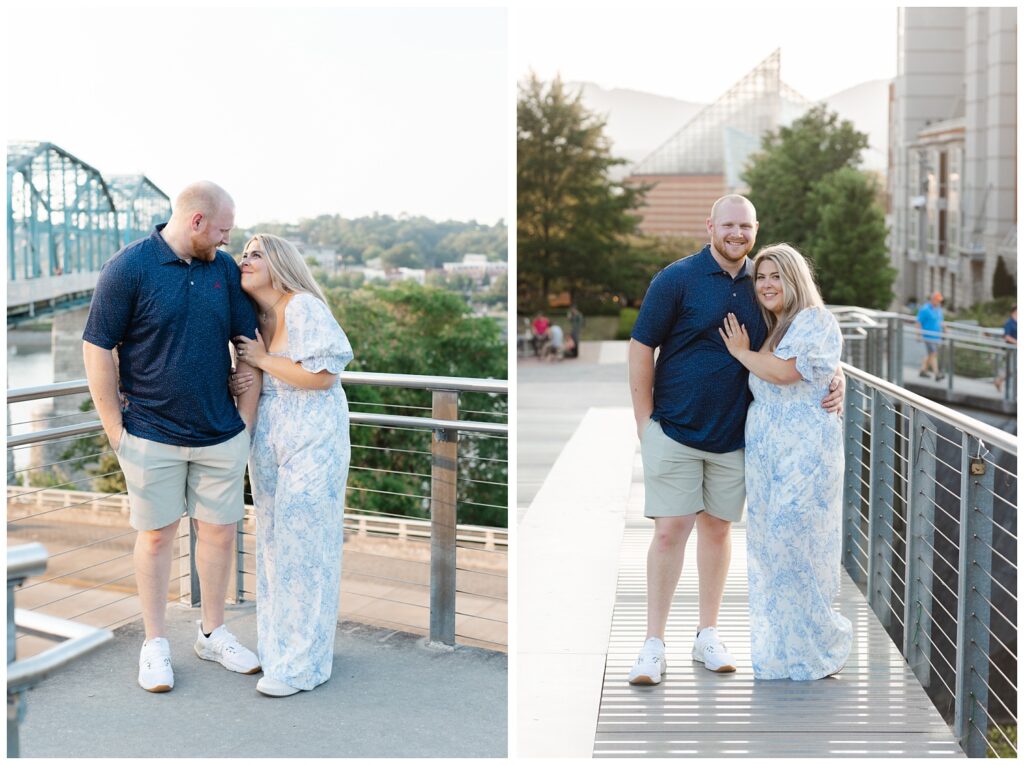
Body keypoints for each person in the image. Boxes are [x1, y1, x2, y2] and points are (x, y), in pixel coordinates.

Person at [626, 194, 844, 685]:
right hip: (676, 429)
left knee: (718, 531)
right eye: (728, 225)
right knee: (669, 530)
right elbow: (641, 348)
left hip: (737, 436)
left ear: (755, 228)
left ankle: (708, 635)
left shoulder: (764, 284)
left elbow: (801, 340)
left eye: (745, 226)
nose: (736, 234)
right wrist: (644, 424)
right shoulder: (676, 279)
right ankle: (653, 645)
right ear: (710, 226)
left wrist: (837, 375)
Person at [82, 181, 262, 693]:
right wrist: (116, 430)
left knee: (220, 533)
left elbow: (248, 344)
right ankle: (155, 644)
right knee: (157, 536)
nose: (229, 241)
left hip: (219, 434)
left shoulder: (223, 270)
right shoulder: (129, 267)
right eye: (224, 230)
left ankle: (212, 632)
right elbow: (97, 347)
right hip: (149, 434)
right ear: (197, 222)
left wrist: (244, 425)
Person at [719, 243, 852, 680]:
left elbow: (786, 372)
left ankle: (818, 644)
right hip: (768, 457)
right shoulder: (773, 328)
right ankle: (782, 651)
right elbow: (808, 368)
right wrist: (838, 375)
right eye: (761, 277)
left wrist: (740, 352)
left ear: (795, 279)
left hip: (805, 454)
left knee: (793, 541)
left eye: (775, 276)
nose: (766, 285)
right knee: (770, 551)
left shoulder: (813, 319)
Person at [230, 233, 353, 697]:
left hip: (314, 438)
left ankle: (303, 666)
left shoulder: (302, 307)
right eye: (243, 253)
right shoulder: (257, 317)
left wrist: (262, 358)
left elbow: (322, 378)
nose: (245, 259)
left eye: (255, 253)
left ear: (279, 263)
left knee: (307, 546)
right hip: (270, 438)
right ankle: (281, 651)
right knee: (275, 548)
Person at [916, 291, 945, 381]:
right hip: (928, 335)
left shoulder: (938, 309)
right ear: (932, 300)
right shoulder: (925, 309)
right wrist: (918, 334)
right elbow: (918, 322)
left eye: (940, 301)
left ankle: (923, 370)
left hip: (936, 336)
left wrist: (946, 330)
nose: (939, 302)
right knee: (933, 353)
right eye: (937, 300)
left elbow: (940, 322)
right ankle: (937, 374)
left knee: (930, 355)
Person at [994, 305, 1016, 393]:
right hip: (1010, 349)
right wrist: (1017, 342)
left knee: (1012, 369)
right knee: (1011, 369)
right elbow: (1006, 336)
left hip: (1017, 350)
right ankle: (999, 381)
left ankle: (999, 381)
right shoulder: (1009, 322)